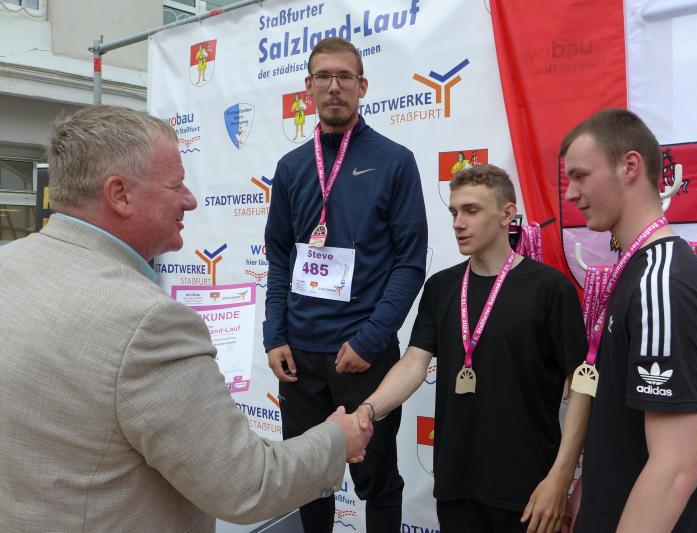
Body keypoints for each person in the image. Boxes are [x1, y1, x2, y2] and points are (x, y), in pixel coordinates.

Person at [0, 105, 371, 532]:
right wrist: (337, 439)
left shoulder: (10, 266)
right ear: (119, 195)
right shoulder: (146, 322)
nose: (190, 200)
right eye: (176, 185)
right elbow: (247, 483)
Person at [355, 164, 591, 533]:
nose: (458, 223)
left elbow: (582, 385)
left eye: (471, 210)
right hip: (456, 485)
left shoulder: (550, 288)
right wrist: (369, 409)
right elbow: (414, 363)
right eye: (454, 212)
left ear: (507, 214)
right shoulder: (441, 287)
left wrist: (561, 478)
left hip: (529, 490)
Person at [263, 37, 427, 532]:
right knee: (310, 481)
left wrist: (371, 339)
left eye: (344, 77)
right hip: (299, 361)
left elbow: (409, 263)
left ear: (362, 86)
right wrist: (274, 335)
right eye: (323, 77)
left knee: (378, 482)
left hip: (364, 357)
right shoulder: (291, 167)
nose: (333, 86)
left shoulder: (395, 161)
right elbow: (279, 259)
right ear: (308, 88)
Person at [561, 109, 697, 532]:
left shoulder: (662, 281)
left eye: (580, 176)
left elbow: (675, 470)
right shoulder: (639, 271)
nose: (570, 194)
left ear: (630, 165)